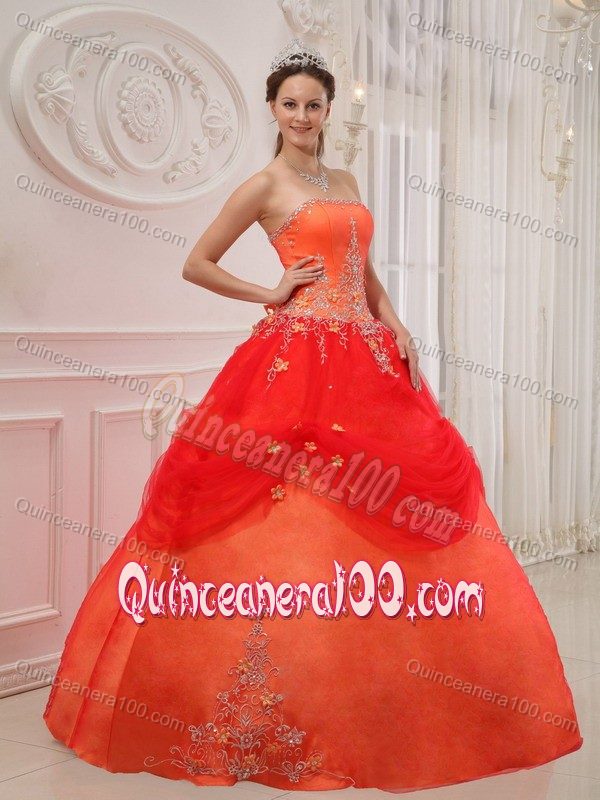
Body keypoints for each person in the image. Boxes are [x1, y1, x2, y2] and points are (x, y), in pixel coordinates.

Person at [43, 38, 583, 793]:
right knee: (290, 517)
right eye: (290, 104)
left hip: (366, 358)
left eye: (314, 104)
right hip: (296, 360)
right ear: (273, 109)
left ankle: (385, 689)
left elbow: (364, 272)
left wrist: (396, 324)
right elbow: (196, 262)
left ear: (329, 111)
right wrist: (268, 293)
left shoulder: (347, 179)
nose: (302, 115)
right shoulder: (265, 185)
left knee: (388, 503)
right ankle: (283, 695)